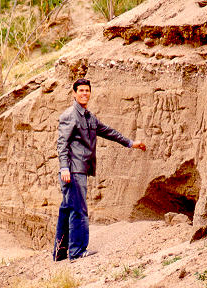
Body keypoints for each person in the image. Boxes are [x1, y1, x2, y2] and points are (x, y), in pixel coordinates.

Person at [53, 78, 146, 261]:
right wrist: (64, 167)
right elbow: (61, 143)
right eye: (81, 90)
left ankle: (60, 253)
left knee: (67, 209)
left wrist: (130, 143)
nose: (84, 93)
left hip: (80, 169)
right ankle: (77, 252)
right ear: (74, 93)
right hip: (73, 170)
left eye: (87, 90)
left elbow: (108, 131)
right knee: (79, 210)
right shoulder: (69, 115)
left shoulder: (89, 116)